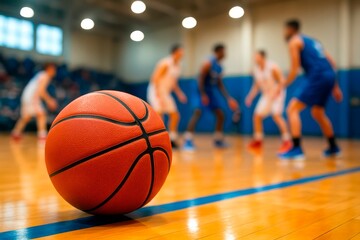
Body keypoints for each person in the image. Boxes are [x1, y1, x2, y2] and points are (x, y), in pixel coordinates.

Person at [280, 19, 343, 159]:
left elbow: (295, 68)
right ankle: (333, 147)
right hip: (329, 75)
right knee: (318, 112)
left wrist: (283, 83)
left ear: (290, 29)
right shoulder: (313, 41)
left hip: (317, 76)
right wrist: (336, 85)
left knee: (292, 109)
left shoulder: (294, 41)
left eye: (284, 30)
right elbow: (331, 61)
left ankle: (296, 148)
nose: (283, 33)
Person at [183, 44, 238, 151]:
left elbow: (220, 84)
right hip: (200, 90)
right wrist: (203, 94)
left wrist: (228, 98)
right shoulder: (208, 63)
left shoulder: (220, 67)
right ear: (218, 51)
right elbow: (200, 79)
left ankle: (218, 139)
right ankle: (188, 140)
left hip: (210, 91)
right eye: (223, 51)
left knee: (220, 114)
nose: (225, 54)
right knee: (197, 112)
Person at [246, 50, 292, 153]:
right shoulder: (256, 69)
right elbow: (257, 85)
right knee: (257, 116)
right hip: (266, 94)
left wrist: (277, 92)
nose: (255, 58)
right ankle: (258, 140)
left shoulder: (272, 67)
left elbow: (281, 81)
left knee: (276, 115)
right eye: (254, 57)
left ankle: (287, 141)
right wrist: (250, 96)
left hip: (277, 92)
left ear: (262, 57)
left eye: (257, 56)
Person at [147, 44, 187, 149]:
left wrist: (180, 94)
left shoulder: (178, 67)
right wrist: (157, 94)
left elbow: (174, 83)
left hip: (166, 93)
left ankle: (172, 138)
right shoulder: (165, 63)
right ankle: (158, 140)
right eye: (180, 52)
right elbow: (155, 78)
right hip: (156, 90)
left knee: (175, 115)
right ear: (174, 52)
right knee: (159, 116)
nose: (182, 54)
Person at [12, 63, 58, 141]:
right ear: (50, 69)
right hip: (32, 97)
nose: (55, 71)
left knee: (26, 117)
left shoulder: (40, 75)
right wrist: (49, 100)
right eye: (54, 69)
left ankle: (15, 134)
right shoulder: (45, 76)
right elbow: (41, 91)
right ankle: (42, 136)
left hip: (26, 96)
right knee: (41, 115)